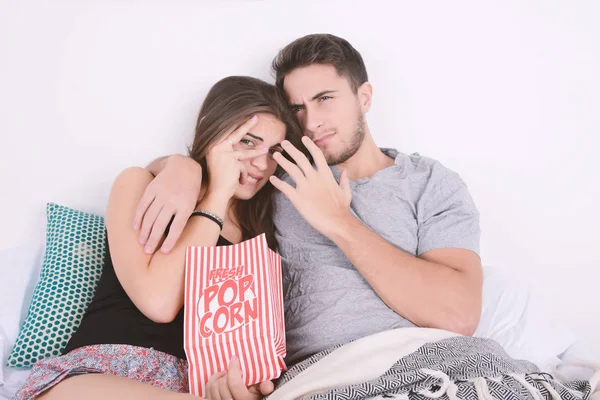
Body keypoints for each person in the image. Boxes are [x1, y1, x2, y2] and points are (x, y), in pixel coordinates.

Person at [141, 34, 484, 400]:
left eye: (324, 98)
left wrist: (339, 221)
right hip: (321, 377)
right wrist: (179, 167)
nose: (312, 122)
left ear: (364, 97)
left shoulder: (428, 181)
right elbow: (219, 177)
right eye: (297, 109)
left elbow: (458, 315)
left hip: (437, 362)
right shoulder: (271, 180)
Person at [12, 76, 305, 400]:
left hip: (191, 390)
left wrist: (241, 386)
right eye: (248, 142)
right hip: (98, 376)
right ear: (214, 128)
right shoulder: (139, 184)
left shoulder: (263, 239)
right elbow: (159, 302)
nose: (262, 165)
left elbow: (248, 351)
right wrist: (215, 192)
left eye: (273, 152)